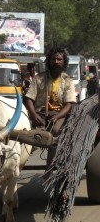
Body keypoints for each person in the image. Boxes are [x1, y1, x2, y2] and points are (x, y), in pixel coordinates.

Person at [24, 46, 76, 174]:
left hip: (59, 114)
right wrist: (34, 114)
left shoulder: (68, 81)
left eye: (59, 59)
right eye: (53, 59)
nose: (56, 62)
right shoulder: (39, 78)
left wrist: (58, 117)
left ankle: (50, 168)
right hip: (40, 114)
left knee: (56, 131)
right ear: (49, 61)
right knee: (28, 135)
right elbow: (29, 99)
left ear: (64, 62)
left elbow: (69, 104)